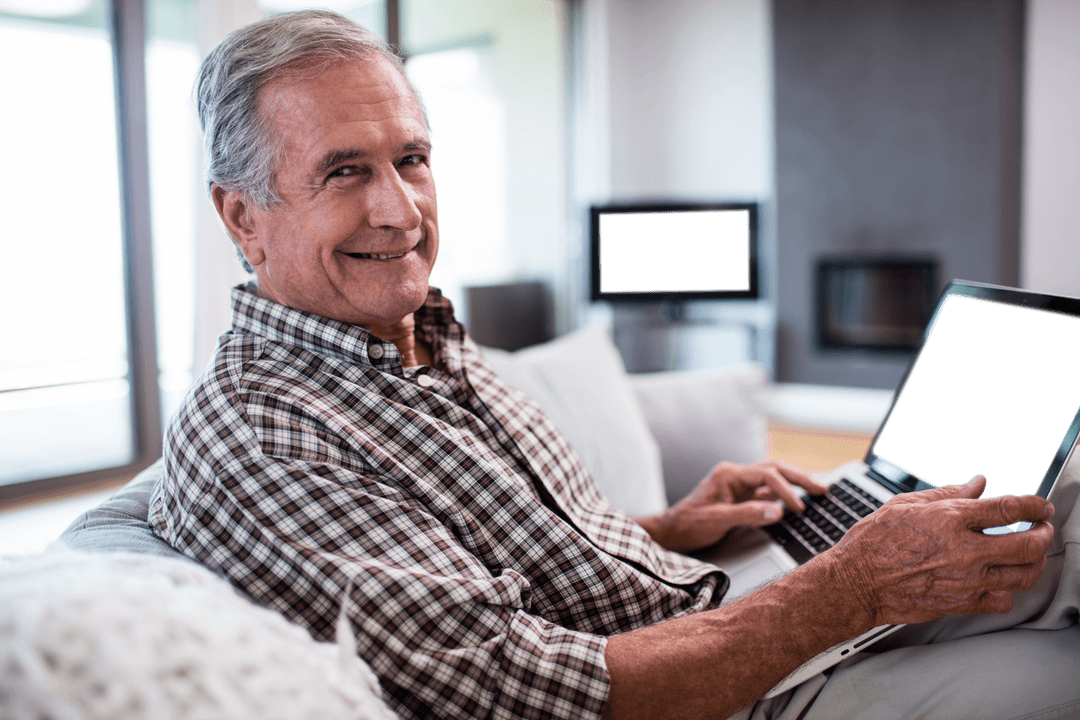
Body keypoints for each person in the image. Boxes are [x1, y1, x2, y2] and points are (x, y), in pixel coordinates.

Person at [149, 10, 1080, 720]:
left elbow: (483, 559)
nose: (401, 212)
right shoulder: (264, 431)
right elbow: (527, 689)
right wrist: (847, 586)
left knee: (1056, 489)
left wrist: (673, 529)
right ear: (242, 217)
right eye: (344, 172)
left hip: (726, 608)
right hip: (718, 690)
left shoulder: (416, 334)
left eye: (413, 158)